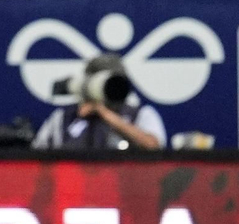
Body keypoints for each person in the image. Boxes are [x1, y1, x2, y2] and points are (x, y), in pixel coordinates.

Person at [31, 54, 165, 151]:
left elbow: (153, 146)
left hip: (125, 187)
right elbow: (37, 157)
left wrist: (105, 114)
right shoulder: (63, 118)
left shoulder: (141, 114)